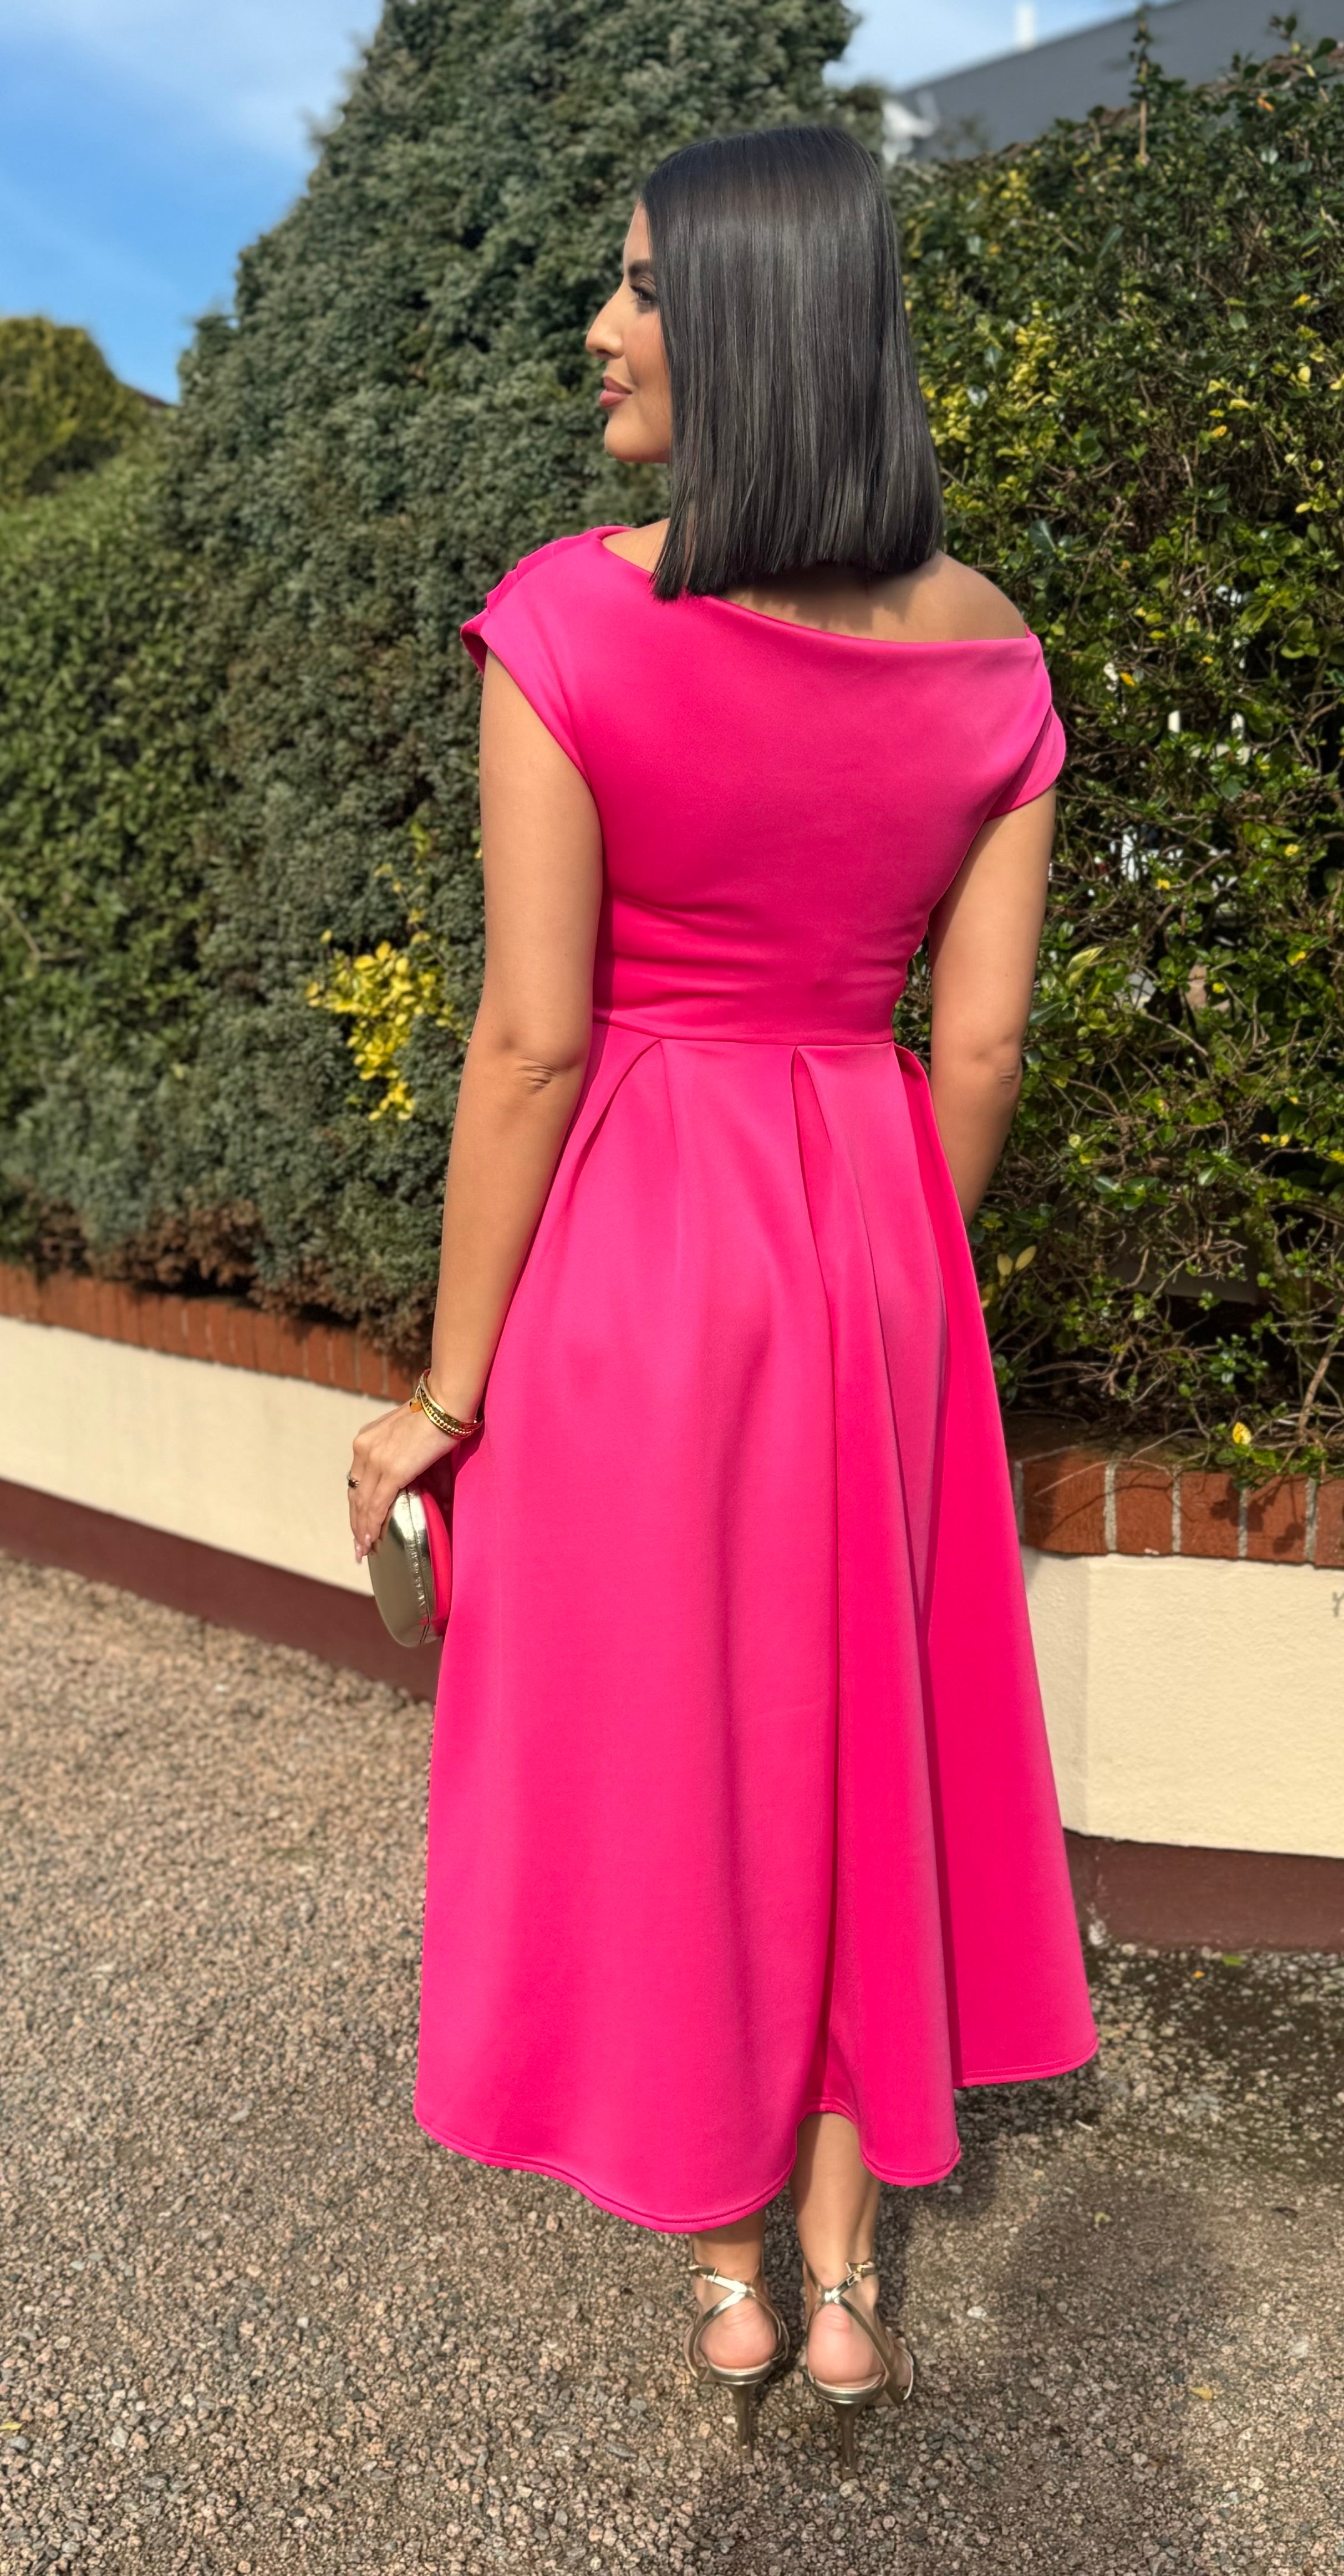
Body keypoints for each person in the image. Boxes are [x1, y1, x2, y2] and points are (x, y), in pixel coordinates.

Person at [347, 121, 1096, 2466]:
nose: (602, 329)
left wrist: (444, 1389)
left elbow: (530, 1040)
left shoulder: (571, 623)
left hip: (643, 1257)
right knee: (865, 1734)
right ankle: (852, 2276)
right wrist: (876, 1251)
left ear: (758, 324)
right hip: (870, 1224)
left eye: (646, 288)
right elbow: (981, 1044)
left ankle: (727, 2257)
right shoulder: (996, 653)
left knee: (686, 1741)